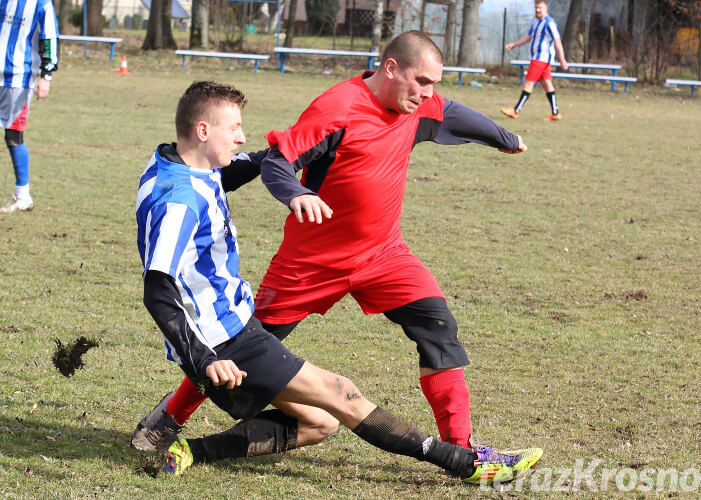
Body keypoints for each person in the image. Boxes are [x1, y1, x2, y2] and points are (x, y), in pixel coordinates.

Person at [133, 30, 527, 456]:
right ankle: (170, 418)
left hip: (384, 255)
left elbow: (455, 114)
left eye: (435, 83)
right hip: (310, 263)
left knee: (439, 328)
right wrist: (297, 193)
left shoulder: (418, 104)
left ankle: (463, 448)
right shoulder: (338, 107)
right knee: (240, 344)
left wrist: (505, 139)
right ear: (391, 68)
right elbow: (278, 163)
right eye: (424, 81)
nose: (430, 93)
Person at [0, 0, 58, 213]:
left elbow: (49, 37)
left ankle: (23, 196)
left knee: (13, 136)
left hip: (19, 78)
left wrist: (46, 75)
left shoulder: (42, 4)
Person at [500, 0, 568, 121]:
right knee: (547, 84)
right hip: (539, 59)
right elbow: (528, 37)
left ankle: (515, 111)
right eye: (536, 8)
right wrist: (514, 44)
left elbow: (557, 42)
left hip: (540, 59)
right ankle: (555, 113)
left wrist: (562, 60)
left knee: (528, 83)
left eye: (540, 8)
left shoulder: (549, 23)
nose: (537, 10)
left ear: (546, 9)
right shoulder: (536, 21)